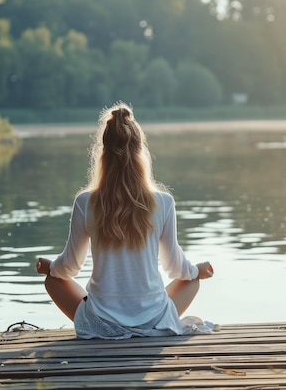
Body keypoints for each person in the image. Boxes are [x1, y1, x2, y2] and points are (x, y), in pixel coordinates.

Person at [36, 102, 214, 339]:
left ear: (103, 154)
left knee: (52, 281)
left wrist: (51, 267)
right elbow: (175, 267)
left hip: (102, 320)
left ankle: (106, 328)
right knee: (191, 281)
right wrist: (196, 271)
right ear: (141, 153)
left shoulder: (85, 202)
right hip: (154, 318)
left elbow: (70, 267)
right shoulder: (163, 202)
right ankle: (149, 325)